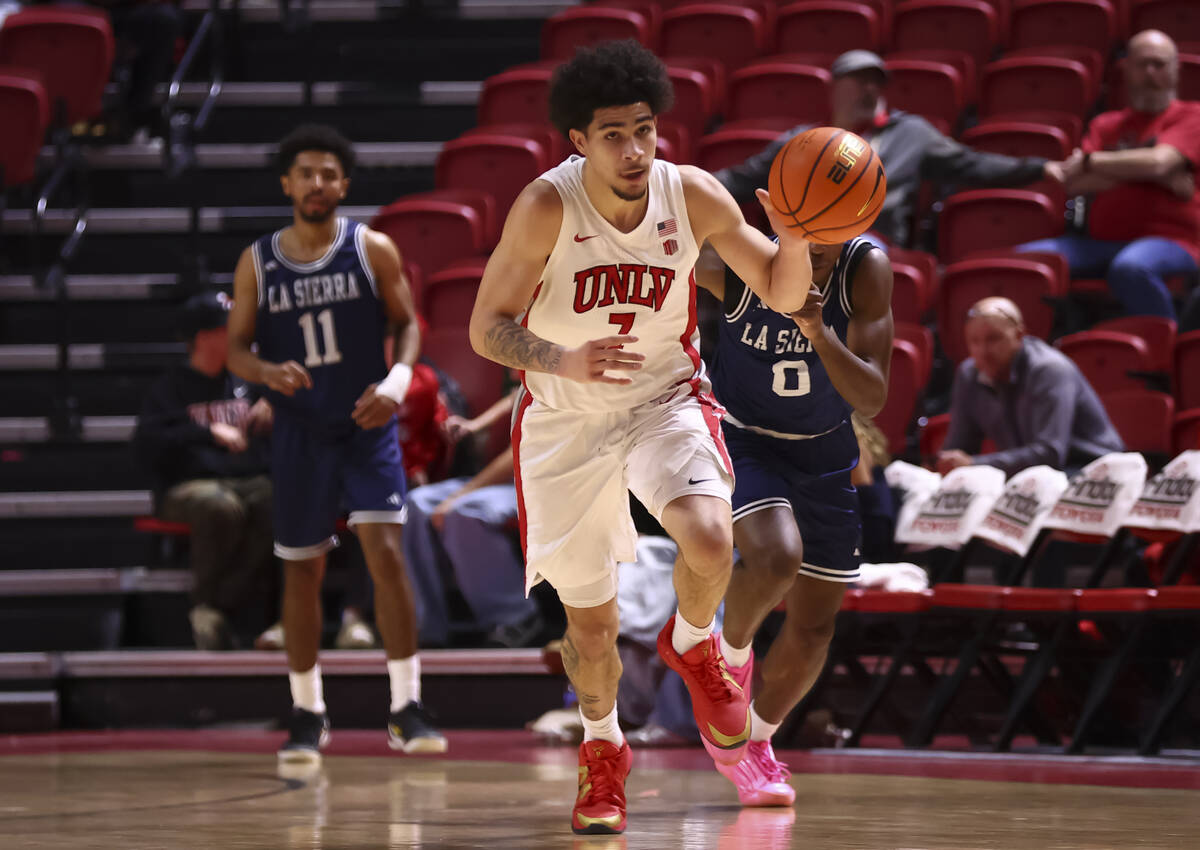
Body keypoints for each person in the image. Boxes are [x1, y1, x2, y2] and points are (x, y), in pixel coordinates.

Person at [468, 40, 816, 836]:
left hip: (663, 397)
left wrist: (793, 236)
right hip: (563, 419)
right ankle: (603, 750)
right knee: (589, 630)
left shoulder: (690, 194)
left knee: (707, 537)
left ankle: (694, 643)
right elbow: (486, 328)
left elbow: (782, 291)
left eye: (645, 129)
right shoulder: (546, 206)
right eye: (614, 135)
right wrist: (563, 356)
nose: (634, 149)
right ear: (578, 142)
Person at [226, 123, 445, 764]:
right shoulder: (257, 261)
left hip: (365, 426)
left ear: (343, 184)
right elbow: (236, 349)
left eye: (329, 174)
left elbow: (408, 328)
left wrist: (399, 382)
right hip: (299, 433)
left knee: (386, 555)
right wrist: (265, 373)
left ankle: (407, 705)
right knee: (301, 571)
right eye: (306, 173)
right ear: (287, 183)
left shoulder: (371, 248)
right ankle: (306, 711)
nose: (317, 183)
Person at [693, 234, 893, 805]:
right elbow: (658, 256)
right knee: (777, 556)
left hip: (825, 452)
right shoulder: (734, 261)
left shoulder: (865, 269)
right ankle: (722, 664)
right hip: (743, 437)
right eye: (811, 229)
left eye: (836, 228)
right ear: (784, 215)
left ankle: (754, 744)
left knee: (813, 629)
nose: (823, 243)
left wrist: (818, 330)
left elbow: (873, 397)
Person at [715, 49, 1064, 249]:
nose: (869, 89)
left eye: (876, 82)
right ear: (835, 87)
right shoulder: (806, 141)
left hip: (870, 239)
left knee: (844, 251)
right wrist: (676, 183)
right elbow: (741, 178)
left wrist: (1039, 168)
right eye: (859, 80)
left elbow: (974, 165)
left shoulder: (911, 133)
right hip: (802, 239)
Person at [1019, 30, 1200, 319]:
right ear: (1127, 69)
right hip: (1100, 242)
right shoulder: (1106, 124)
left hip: (1172, 241)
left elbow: (1158, 162)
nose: (1150, 73)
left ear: (1176, 70)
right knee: (1020, 262)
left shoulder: (1192, 116)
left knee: (1131, 268)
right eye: (1142, 64)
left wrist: (1093, 160)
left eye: (1159, 64)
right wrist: (1152, 172)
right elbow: (1076, 181)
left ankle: (1166, 354)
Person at [134, 291, 275, 650]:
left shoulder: (248, 382)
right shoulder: (170, 388)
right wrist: (207, 431)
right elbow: (147, 442)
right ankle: (206, 606)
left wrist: (275, 405)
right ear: (203, 337)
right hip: (187, 487)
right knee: (220, 506)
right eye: (227, 329)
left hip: (247, 479)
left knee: (278, 500)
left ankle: (219, 608)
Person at [403, 392, 543, 649]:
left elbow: (517, 455)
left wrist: (458, 496)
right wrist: (476, 424)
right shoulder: (532, 373)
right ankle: (427, 625)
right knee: (416, 504)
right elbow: (517, 394)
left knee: (464, 511)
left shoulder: (562, 371)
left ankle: (517, 617)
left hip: (541, 488)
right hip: (501, 485)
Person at [937, 297, 1124, 477]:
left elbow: (1050, 453)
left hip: (1092, 469)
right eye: (974, 342)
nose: (983, 351)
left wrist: (973, 464)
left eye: (994, 339)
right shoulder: (969, 374)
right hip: (1037, 476)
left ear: (1019, 335)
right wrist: (948, 464)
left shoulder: (1049, 370)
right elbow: (959, 447)